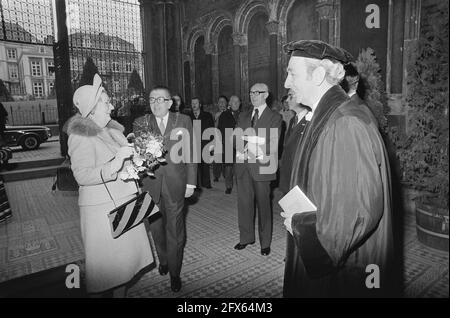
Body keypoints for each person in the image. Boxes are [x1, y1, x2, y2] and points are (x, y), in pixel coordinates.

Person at [281, 40, 395, 297]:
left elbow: (356, 213)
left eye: (292, 74)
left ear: (319, 75)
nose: (287, 83)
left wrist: (300, 225)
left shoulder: (346, 122)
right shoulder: (329, 114)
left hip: (343, 272)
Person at [66, 74, 154, 297]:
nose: (112, 106)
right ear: (92, 109)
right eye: (106, 102)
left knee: (123, 265)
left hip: (124, 201)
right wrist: (115, 164)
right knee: (107, 269)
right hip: (102, 210)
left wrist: (140, 158)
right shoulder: (80, 135)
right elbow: (82, 176)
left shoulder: (112, 131)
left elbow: (126, 163)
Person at [133, 86, 196, 293]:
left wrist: (191, 183)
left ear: (170, 103)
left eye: (161, 99)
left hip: (176, 183)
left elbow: (191, 153)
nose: (156, 103)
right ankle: (164, 260)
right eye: (152, 99)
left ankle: (175, 273)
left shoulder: (183, 121)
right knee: (156, 227)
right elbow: (138, 155)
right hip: (150, 184)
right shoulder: (140, 123)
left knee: (175, 229)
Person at [233, 83, 282, 256]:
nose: (253, 95)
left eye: (257, 92)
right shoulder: (244, 115)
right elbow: (235, 138)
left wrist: (252, 144)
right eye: (251, 92)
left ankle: (265, 242)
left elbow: (272, 144)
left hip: (262, 166)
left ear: (266, 95)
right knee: (244, 204)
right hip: (243, 166)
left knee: (263, 206)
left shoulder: (275, 117)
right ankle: (246, 238)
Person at [278, 89, 310, 195]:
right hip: (289, 174)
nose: (287, 100)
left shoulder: (311, 121)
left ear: (301, 98)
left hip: (300, 177)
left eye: (290, 96)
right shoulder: (293, 120)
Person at [188, 97, 214, 189]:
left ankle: (206, 183)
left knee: (205, 164)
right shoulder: (188, 116)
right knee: (195, 165)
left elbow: (211, 130)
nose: (194, 105)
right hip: (193, 144)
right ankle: (197, 184)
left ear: (200, 104)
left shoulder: (207, 115)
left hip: (205, 142)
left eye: (195, 103)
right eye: (192, 103)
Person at [217, 95, 241, 194]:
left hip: (240, 144)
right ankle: (229, 186)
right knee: (228, 167)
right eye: (233, 102)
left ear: (240, 103)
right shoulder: (224, 115)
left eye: (237, 102)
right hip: (228, 143)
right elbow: (219, 130)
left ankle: (240, 186)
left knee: (240, 166)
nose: (236, 103)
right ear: (230, 103)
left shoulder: (244, 115)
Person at [213, 95, 228, 182]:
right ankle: (216, 175)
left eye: (223, 102)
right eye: (220, 102)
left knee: (226, 157)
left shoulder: (229, 113)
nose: (221, 104)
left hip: (226, 137)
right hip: (217, 137)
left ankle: (226, 174)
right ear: (218, 104)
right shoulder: (216, 114)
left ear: (226, 103)